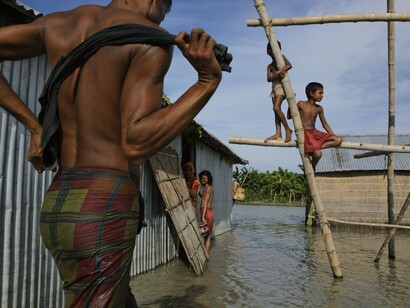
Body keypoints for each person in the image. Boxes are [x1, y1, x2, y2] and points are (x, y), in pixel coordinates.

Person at [0, 0, 224, 306]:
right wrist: (206, 82)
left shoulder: (58, 23)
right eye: (165, 10)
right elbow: (136, 143)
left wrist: (34, 126)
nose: (161, 18)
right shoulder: (148, 37)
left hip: (59, 203)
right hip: (104, 205)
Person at [288, 82, 342, 170]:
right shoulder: (301, 104)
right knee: (318, 154)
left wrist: (332, 135)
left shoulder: (319, 108)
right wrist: (291, 104)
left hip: (315, 133)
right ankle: (312, 167)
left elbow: (324, 123)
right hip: (305, 133)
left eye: (322, 93)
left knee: (338, 139)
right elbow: (289, 116)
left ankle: (312, 149)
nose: (322, 95)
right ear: (312, 93)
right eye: (320, 93)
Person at [265, 41, 293, 142]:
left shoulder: (281, 58)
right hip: (274, 88)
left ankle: (288, 129)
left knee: (276, 108)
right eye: (271, 50)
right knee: (275, 111)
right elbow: (268, 78)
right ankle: (278, 133)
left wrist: (278, 72)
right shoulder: (269, 66)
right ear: (268, 51)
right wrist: (276, 75)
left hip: (282, 86)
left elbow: (289, 65)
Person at [199, 170, 214, 257]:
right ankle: (206, 254)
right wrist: (200, 195)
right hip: (209, 212)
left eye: (205, 178)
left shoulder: (208, 188)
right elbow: (204, 199)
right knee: (207, 234)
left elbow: (205, 203)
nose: (203, 180)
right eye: (202, 178)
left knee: (207, 235)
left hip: (206, 212)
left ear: (209, 179)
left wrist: (203, 217)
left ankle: (206, 254)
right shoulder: (209, 188)